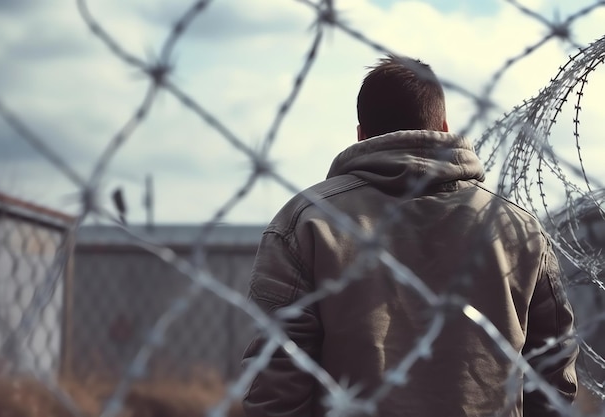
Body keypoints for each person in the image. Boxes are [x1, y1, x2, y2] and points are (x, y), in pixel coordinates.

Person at [241, 55, 578, 417]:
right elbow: (553, 376)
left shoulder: (307, 224)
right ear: (444, 126)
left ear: (361, 135)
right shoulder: (518, 230)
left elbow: (277, 383)